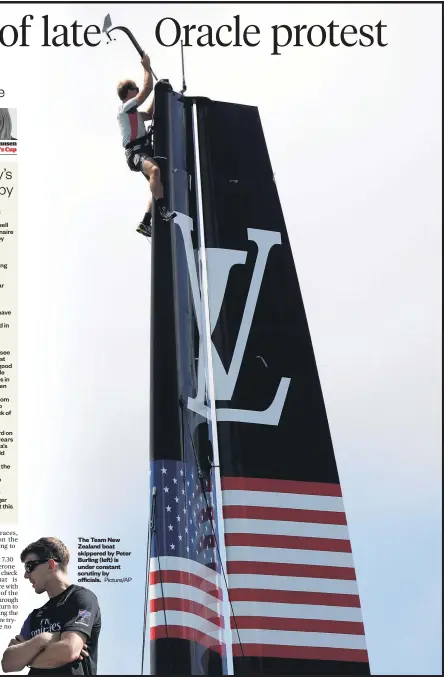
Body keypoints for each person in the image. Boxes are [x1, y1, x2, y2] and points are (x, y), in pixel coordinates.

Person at [1, 537, 101, 675]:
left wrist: (26, 658)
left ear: (51, 565)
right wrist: (42, 639)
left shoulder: (83, 598)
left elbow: (68, 651)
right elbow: (7, 663)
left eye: (29, 566)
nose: (25, 575)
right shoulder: (35, 616)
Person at [117, 53, 176, 238]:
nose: (137, 90)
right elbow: (147, 88)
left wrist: (160, 94)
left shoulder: (133, 113)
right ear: (129, 93)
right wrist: (146, 67)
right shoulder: (124, 108)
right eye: (135, 88)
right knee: (155, 172)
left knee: (157, 184)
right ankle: (163, 209)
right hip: (135, 153)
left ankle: (145, 222)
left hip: (143, 151)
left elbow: (150, 114)